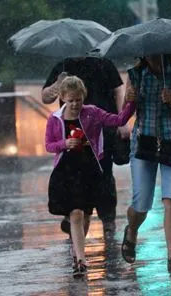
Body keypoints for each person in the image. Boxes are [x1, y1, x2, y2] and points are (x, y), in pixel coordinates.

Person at [45, 76, 135, 277]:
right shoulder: (55, 119)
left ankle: (77, 250)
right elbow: (49, 145)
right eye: (71, 101)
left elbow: (118, 120)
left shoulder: (92, 113)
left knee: (86, 215)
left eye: (78, 100)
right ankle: (80, 260)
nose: (75, 104)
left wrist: (131, 102)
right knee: (75, 213)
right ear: (63, 99)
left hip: (90, 170)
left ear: (83, 97)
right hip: (67, 171)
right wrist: (64, 144)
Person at [120, 55, 171, 272]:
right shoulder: (135, 75)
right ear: (143, 52)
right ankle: (132, 230)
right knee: (142, 204)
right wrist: (129, 99)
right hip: (144, 143)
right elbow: (124, 115)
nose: (154, 53)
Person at [42, 56, 130, 234]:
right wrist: (58, 83)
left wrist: (122, 122)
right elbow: (46, 96)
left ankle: (107, 219)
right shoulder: (64, 65)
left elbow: (118, 90)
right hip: (73, 129)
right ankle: (75, 216)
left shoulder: (104, 62)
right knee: (74, 175)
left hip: (101, 128)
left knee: (103, 174)